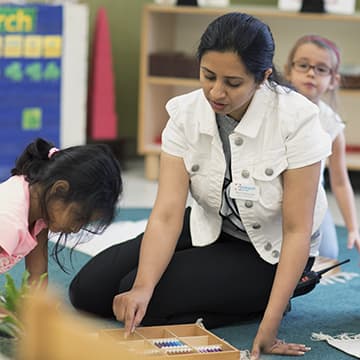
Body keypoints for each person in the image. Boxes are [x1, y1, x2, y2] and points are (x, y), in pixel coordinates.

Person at [69, 13, 331, 358]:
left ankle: (268, 299)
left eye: (233, 83)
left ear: (263, 77)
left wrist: (269, 327)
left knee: (149, 308)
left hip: (271, 251)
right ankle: (194, 283)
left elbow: (297, 230)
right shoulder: (185, 113)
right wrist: (143, 285)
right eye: (208, 76)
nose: (216, 92)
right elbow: (167, 213)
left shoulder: (298, 120)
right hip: (210, 226)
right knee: (89, 292)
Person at [0, 137, 122, 285]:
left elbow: (37, 278)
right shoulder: (8, 220)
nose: (75, 229)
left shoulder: (40, 211)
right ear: (59, 189)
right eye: (78, 217)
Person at [284, 35, 360, 259]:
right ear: (289, 71)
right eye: (304, 65)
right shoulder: (275, 109)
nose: (311, 73)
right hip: (273, 195)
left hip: (311, 198)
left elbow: (339, 180)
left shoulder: (331, 123)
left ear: (334, 80)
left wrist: (353, 227)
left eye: (321, 69)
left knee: (327, 253)